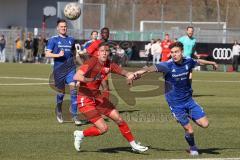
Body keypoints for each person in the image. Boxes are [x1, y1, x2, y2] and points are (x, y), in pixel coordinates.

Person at [132, 42, 218, 156]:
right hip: (176, 104)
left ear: (181, 52)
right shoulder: (167, 65)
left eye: (176, 52)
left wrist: (211, 62)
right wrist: (138, 72)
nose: (174, 55)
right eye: (172, 52)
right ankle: (193, 148)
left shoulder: (188, 61)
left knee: (205, 124)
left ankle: (189, 116)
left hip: (189, 101)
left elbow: (198, 61)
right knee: (190, 130)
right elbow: (150, 69)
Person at [73, 42, 148, 152]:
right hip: (85, 99)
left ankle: (134, 145)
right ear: (98, 52)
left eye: (106, 51)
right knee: (103, 128)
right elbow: (77, 76)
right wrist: (91, 80)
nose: (104, 53)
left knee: (119, 119)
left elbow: (125, 73)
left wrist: (131, 75)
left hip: (98, 98)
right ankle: (80, 134)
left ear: (109, 53)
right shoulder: (92, 62)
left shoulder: (109, 64)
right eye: (102, 51)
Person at [45, 19, 81, 125]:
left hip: (70, 69)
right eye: (61, 26)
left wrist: (81, 62)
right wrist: (58, 55)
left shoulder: (71, 39)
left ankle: (75, 116)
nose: (63, 28)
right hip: (59, 70)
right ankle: (59, 111)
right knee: (61, 93)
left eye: (65, 26)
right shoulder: (53, 40)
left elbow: (75, 54)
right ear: (57, 28)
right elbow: (47, 54)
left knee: (73, 90)